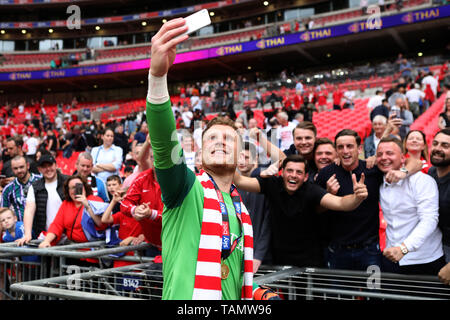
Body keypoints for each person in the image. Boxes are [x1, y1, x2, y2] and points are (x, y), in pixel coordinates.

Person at [145, 18, 268, 300]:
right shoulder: (185, 188)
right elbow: (164, 143)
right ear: (199, 155)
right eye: (212, 138)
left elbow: (230, 272)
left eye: (229, 139)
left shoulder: (241, 208)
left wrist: (259, 293)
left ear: (240, 156)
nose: (221, 141)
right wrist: (157, 78)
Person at [233, 154, 368, 268]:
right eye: (290, 171)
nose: (293, 175)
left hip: (309, 263)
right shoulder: (272, 184)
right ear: (282, 172)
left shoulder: (311, 190)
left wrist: (357, 198)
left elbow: (341, 203)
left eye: (299, 172)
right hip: (280, 261)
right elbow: (238, 181)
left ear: (305, 177)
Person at [315, 129, 422, 271]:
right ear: (336, 150)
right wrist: (329, 196)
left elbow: (416, 162)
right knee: (339, 292)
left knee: (372, 291)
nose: (345, 151)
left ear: (359, 148)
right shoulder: (326, 174)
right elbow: (316, 210)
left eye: (350, 146)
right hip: (337, 251)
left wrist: (403, 173)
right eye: (340, 147)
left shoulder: (372, 168)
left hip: (369, 250)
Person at [376, 137, 445, 275]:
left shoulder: (421, 181)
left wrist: (404, 248)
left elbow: (429, 220)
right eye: (379, 154)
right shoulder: (377, 179)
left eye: (390, 153)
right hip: (391, 258)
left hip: (425, 260)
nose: (384, 158)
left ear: (403, 158)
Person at [38, 175, 104, 265]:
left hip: (92, 253)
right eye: (72, 188)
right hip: (72, 252)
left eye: (78, 186)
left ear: (84, 187)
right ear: (68, 191)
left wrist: (87, 205)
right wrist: (47, 241)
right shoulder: (66, 203)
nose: (75, 190)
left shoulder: (96, 200)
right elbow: (57, 225)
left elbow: (101, 223)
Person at [16, 154, 68, 246]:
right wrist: (27, 234)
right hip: (45, 236)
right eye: (44, 167)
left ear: (56, 165)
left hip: (68, 236)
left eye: (50, 165)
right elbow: (29, 210)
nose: (48, 169)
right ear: (39, 169)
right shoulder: (35, 187)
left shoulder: (68, 181)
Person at [236, 141, 271, 272]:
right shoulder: (230, 186)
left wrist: (259, 255)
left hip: (262, 258)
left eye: (245, 157)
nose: (241, 161)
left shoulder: (266, 185)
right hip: (238, 253)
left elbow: (267, 224)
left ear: (255, 158)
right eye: (238, 157)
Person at [101, 180, 145, 268]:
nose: (127, 203)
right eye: (125, 200)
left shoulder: (144, 215)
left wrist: (134, 238)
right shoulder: (122, 214)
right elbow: (104, 219)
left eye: (129, 200)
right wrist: (113, 201)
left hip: (137, 260)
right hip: (121, 258)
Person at [1, 155, 41, 221]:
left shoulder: (40, 180)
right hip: (21, 228)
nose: (19, 170)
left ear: (28, 166)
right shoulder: (8, 189)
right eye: (15, 168)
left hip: (41, 227)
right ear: (12, 169)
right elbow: (3, 212)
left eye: (21, 167)